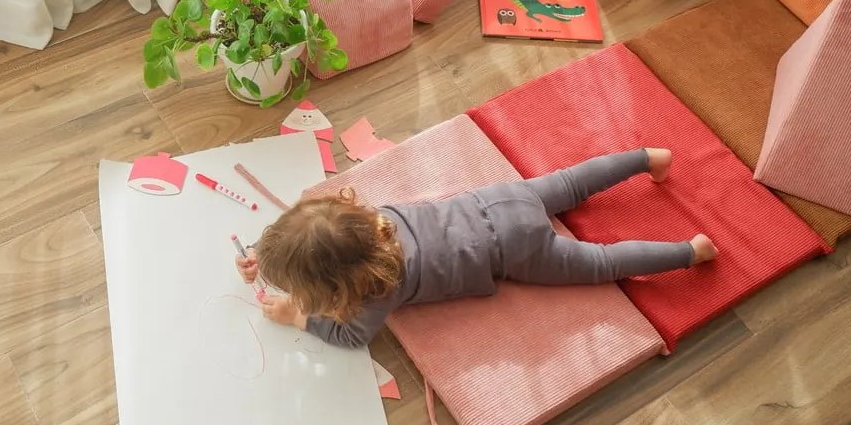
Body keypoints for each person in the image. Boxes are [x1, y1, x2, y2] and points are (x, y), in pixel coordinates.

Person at [236, 148, 717, 349]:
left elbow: (352, 337)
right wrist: (268, 256)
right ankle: (648, 158)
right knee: (570, 183)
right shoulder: (373, 220)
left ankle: (689, 252)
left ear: (337, 290)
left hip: (516, 251)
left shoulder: (376, 292)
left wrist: (297, 316)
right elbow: (313, 238)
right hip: (500, 199)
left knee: (600, 262)